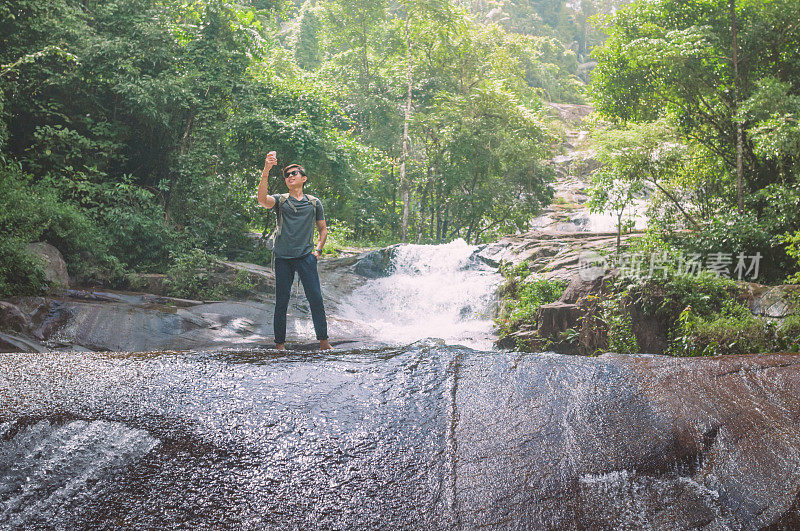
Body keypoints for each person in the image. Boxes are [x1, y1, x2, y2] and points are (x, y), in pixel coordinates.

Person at [257, 151, 331, 350]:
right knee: (281, 302)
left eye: (294, 173)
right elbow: (262, 200)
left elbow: (323, 229)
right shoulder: (280, 200)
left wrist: (318, 251)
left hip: (306, 257)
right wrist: (266, 170)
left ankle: (324, 342)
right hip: (283, 258)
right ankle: (280, 345)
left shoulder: (314, 202)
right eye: (287, 175)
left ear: (303, 178)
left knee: (315, 298)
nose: (290, 176)